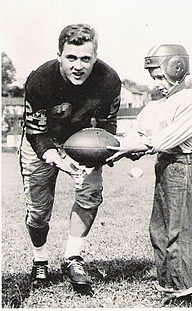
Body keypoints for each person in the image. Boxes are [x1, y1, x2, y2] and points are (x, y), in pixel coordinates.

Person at [107, 44, 192, 300]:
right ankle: (168, 284)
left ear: (176, 69)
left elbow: (165, 138)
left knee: (178, 230)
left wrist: (137, 146)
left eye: (159, 76)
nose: (156, 83)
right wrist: (112, 147)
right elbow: (140, 136)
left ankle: (184, 291)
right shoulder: (155, 107)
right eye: (153, 78)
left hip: (182, 166)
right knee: (159, 229)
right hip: (164, 165)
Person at [19, 23, 121, 293]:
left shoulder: (109, 79)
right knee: (38, 212)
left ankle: (73, 257)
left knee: (90, 193)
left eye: (86, 58)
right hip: (43, 140)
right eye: (71, 58)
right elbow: (35, 131)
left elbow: (107, 125)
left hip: (84, 140)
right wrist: (56, 158)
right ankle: (40, 259)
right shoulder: (40, 79)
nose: (79, 66)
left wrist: (102, 152)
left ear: (95, 58)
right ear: (59, 56)